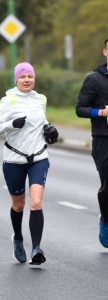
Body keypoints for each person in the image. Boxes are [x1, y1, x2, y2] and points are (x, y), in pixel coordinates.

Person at [0, 62, 58, 265]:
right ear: (16, 80)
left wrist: (50, 131)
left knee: (36, 202)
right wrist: (11, 124)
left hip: (38, 158)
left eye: (30, 76)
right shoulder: (8, 100)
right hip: (14, 160)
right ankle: (18, 238)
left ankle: (36, 249)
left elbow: (42, 123)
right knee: (18, 205)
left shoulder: (41, 99)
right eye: (23, 76)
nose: (27, 80)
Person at [76, 37, 108, 249]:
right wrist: (102, 112)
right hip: (103, 139)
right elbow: (80, 109)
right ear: (105, 52)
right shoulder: (94, 79)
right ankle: (106, 220)